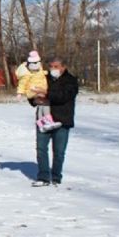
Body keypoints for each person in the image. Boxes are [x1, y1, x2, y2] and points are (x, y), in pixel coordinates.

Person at [29, 56, 78, 187]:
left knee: (59, 151)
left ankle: (56, 176)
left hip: (62, 120)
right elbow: (32, 92)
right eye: (51, 66)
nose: (53, 69)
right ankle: (43, 176)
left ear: (63, 67)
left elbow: (63, 96)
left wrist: (46, 94)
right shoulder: (43, 78)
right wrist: (34, 100)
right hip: (43, 119)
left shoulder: (71, 81)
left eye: (56, 66)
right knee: (41, 149)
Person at [16, 50, 62, 133]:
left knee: (42, 104)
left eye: (37, 63)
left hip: (40, 89)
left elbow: (44, 73)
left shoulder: (39, 71)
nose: (36, 65)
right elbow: (22, 83)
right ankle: (48, 120)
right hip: (33, 90)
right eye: (34, 64)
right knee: (45, 102)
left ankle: (41, 123)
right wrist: (19, 93)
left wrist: (52, 73)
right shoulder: (26, 74)